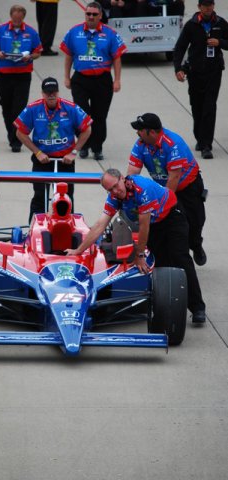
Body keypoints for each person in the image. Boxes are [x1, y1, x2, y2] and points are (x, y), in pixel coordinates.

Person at [66, 168, 206, 324]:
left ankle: (198, 308)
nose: (115, 191)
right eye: (110, 190)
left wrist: (139, 256)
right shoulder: (113, 197)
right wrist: (78, 250)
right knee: (158, 264)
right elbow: (99, 225)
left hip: (172, 218)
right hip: (155, 225)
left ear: (122, 178)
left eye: (115, 186)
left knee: (180, 259)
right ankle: (164, 307)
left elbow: (144, 226)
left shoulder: (141, 189)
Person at [127, 113, 207, 266]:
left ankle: (196, 245)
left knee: (195, 222)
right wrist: (130, 193)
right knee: (172, 224)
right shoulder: (140, 144)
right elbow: (132, 173)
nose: (137, 133)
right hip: (163, 187)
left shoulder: (172, 143)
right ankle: (177, 257)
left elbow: (174, 178)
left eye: (140, 130)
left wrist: (163, 204)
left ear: (151, 132)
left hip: (186, 187)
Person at [14, 77, 92, 223]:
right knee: (39, 197)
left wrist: (74, 152)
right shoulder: (33, 108)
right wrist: (37, 152)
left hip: (65, 161)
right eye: (47, 92)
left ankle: (69, 229)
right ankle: (34, 229)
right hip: (42, 160)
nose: (51, 95)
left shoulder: (71, 108)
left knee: (66, 198)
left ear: (58, 92)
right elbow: (20, 133)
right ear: (42, 93)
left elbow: (87, 129)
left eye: (54, 92)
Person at [60, 1, 126, 161]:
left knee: (100, 115)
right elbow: (68, 55)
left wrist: (117, 80)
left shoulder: (110, 33)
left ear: (101, 16)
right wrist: (67, 77)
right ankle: (84, 145)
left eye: (94, 14)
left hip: (102, 80)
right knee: (81, 114)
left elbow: (117, 58)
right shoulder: (74, 32)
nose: (91, 17)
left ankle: (97, 147)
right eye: (88, 14)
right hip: (80, 79)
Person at [173, 0, 228, 159]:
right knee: (197, 107)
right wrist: (178, 69)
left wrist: (220, 42)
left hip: (214, 72)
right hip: (195, 73)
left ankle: (206, 145)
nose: (208, 9)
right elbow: (180, 48)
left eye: (210, 6)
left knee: (209, 108)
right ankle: (200, 137)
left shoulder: (220, 23)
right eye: (205, 7)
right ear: (199, 7)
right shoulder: (191, 25)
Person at [0, 5, 42, 153]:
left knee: (19, 107)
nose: (17, 21)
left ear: (23, 17)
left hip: (23, 74)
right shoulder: (1, 29)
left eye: (20, 18)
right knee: (6, 105)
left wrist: (30, 57)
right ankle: (11, 133)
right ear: (11, 16)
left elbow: (38, 51)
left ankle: (16, 140)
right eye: (15, 18)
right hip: (5, 73)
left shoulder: (31, 32)